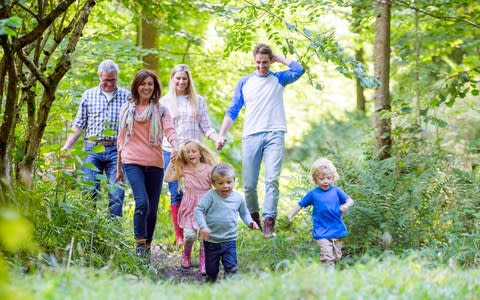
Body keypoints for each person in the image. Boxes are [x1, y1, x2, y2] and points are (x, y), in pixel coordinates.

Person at [217, 43, 305, 238]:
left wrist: (280, 58)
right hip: (251, 135)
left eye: (265, 62)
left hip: (275, 133)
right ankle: (254, 219)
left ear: (270, 61)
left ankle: (268, 222)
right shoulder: (244, 82)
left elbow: (299, 70)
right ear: (253, 60)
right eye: (258, 62)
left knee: (272, 179)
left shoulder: (279, 78)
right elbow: (233, 109)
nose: (261, 66)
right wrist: (222, 133)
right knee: (248, 184)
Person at [116, 69, 179, 258]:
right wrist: (119, 167)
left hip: (155, 163)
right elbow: (120, 140)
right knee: (142, 203)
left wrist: (176, 145)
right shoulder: (126, 109)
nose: (146, 87)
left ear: (155, 87)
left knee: (152, 208)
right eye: (143, 83)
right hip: (132, 161)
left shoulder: (161, 110)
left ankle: (148, 245)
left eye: (150, 84)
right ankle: (140, 249)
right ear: (137, 86)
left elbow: (170, 130)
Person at [161, 64, 225, 247]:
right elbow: (162, 130)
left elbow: (206, 126)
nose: (181, 81)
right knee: (176, 193)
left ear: (188, 80)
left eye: (184, 78)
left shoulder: (198, 100)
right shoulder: (164, 102)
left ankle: (199, 230)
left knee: (199, 192)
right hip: (172, 151)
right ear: (172, 79)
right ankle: (180, 235)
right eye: (178, 78)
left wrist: (217, 138)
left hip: (194, 153)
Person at [61, 59, 130, 217]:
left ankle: (112, 236)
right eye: (106, 80)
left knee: (116, 193)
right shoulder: (89, 95)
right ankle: (89, 232)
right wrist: (67, 146)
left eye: (113, 80)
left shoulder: (126, 96)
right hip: (92, 149)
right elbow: (79, 124)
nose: (110, 84)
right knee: (89, 189)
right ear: (100, 76)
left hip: (117, 151)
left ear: (117, 77)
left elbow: (132, 126)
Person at [195, 163, 259, 282]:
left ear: (234, 181)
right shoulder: (211, 196)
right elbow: (199, 210)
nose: (225, 186)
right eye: (220, 183)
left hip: (229, 240)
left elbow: (244, 213)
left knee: (231, 267)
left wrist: (250, 222)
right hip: (211, 241)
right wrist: (203, 226)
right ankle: (210, 283)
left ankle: (231, 286)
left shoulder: (238, 198)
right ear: (213, 184)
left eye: (229, 182)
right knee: (212, 270)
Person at [287, 158, 354, 267]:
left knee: (337, 256)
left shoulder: (336, 191)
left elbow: (350, 200)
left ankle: (331, 269)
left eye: (329, 178)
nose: (326, 181)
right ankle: (328, 274)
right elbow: (300, 204)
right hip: (321, 231)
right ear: (315, 179)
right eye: (322, 179)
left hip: (337, 229)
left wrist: (345, 205)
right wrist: (290, 215)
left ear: (333, 178)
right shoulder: (313, 194)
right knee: (327, 256)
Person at [164, 139, 217, 275]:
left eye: (193, 151)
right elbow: (167, 178)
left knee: (204, 237)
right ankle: (186, 255)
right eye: (187, 152)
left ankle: (203, 261)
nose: (190, 154)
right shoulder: (185, 169)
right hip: (189, 205)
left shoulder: (209, 169)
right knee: (189, 235)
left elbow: (218, 184)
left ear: (200, 153)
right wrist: (172, 162)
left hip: (206, 206)